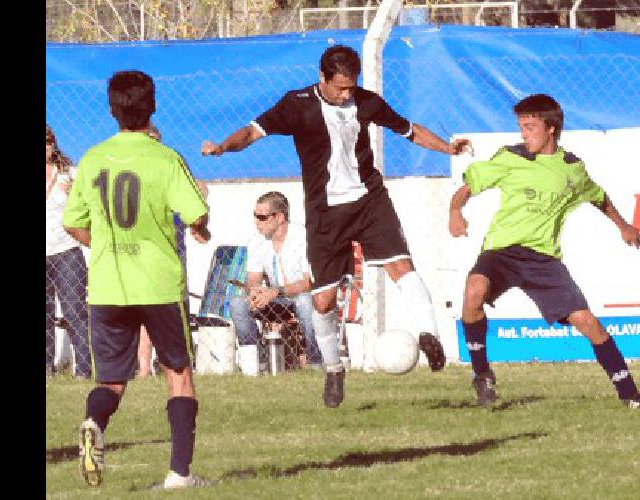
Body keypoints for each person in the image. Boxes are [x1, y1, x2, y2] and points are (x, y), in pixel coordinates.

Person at [201, 45, 471, 408]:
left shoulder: (366, 101)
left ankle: (430, 337)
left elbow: (409, 130)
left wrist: (448, 149)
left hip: (369, 201)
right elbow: (252, 132)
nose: (347, 95)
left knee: (401, 266)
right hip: (326, 213)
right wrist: (222, 148)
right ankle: (332, 370)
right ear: (322, 78)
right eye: (340, 88)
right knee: (324, 300)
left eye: (351, 87)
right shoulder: (297, 104)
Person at [447, 94, 640, 409]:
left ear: (551, 129)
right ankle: (482, 375)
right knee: (474, 290)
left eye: (530, 127)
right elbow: (466, 189)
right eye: (521, 127)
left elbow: (598, 197)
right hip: (501, 252)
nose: (524, 134)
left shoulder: (571, 169)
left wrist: (624, 226)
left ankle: (631, 395)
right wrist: (455, 212)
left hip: (543, 259)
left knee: (586, 321)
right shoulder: (509, 158)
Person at [63, 70, 213, 489]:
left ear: (112, 110)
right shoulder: (164, 158)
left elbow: (73, 223)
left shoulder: (92, 159)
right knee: (178, 374)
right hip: (158, 284)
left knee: (111, 379)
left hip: (108, 286)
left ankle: (94, 421)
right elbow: (195, 212)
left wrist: (107, 245)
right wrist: (200, 222)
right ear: (153, 106)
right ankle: (179, 475)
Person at [136, 124, 210, 378]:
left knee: (173, 305)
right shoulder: (134, 169)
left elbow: (200, 189)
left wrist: (196, 222)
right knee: (143, 305)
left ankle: (176, 362)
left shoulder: (170, 163)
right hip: (142, 249)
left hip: (171, 248)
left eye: (155, 140)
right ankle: (144, 367)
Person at [229, 191, 322, 370]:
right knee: (237, 304)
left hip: (304, 296)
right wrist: (255, 292)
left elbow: (310, 281)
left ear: (279, 217)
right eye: (255, 216)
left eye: (262, 217)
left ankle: (315, 362)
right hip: (275, 298)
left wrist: (276, 291)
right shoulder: (257, 240)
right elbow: (254, 278)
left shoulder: (303, 237)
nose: (256, 222)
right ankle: (257, 363)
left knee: (303, 302)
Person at [46, 124, 92, 379]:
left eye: (48, 142)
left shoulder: (69, 175)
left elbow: (89, 205)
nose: (45, 147)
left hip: (66, 251)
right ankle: (47, 369)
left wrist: (75, 192)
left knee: (74, 310)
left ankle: (83, 369)